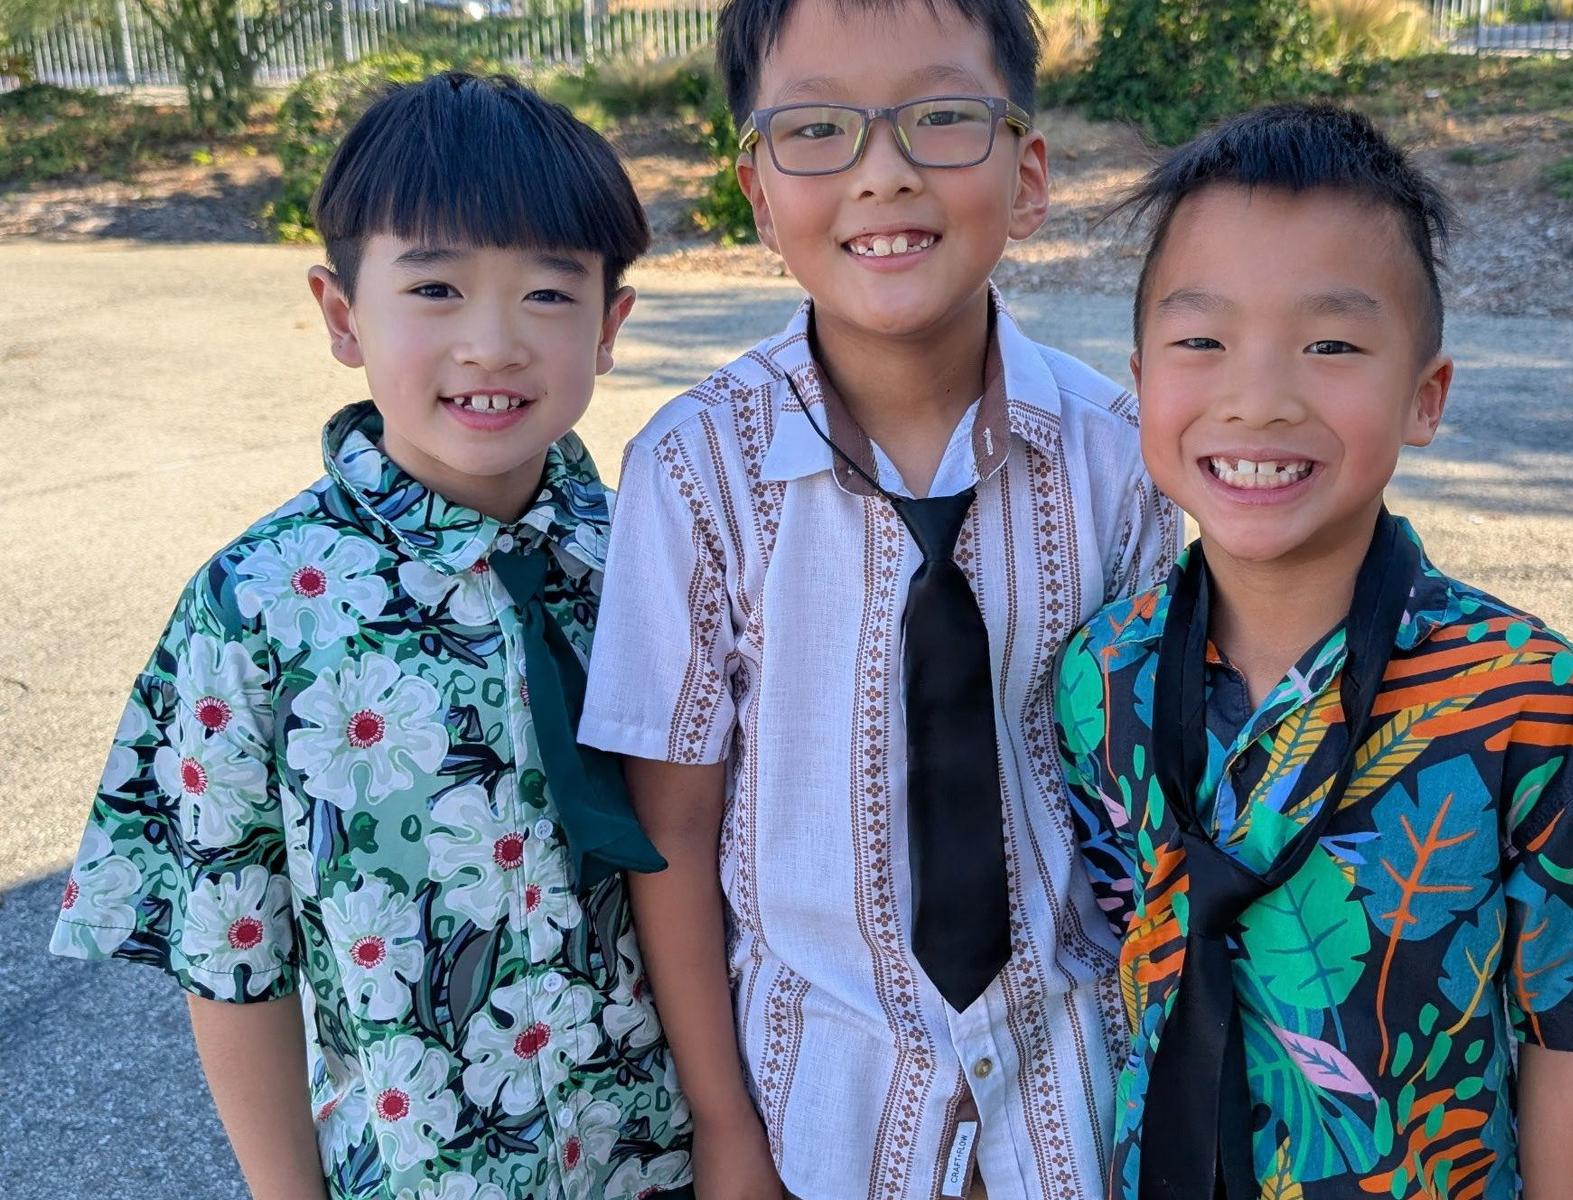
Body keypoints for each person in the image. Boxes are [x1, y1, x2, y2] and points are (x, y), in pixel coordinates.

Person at [1055, 103, 1573, 1200]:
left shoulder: (1525, 693)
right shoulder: (1098, 676)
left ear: (1424, 396)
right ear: (1137, 379)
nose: (1258, 396)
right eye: (1200, 341)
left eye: (1329, 344)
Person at [49, 72, 692, 1200]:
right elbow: (231, 950)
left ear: (611, 328)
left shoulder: (659, 558)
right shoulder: (256, 608)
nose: (491, 344)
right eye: (435, 287)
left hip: (669, 1162)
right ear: (343, 317)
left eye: (548, 295)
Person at [575, 1, 1179, 1196]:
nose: (883, 173)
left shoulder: (1119, 457)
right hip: (818, 1107)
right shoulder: (694, 471)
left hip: (1079, 1099)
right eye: (816, 131)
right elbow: (674, 833)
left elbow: (1143, 802)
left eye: (943, 117)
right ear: (756, 191)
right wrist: (724, 1130)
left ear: (1028, 175)